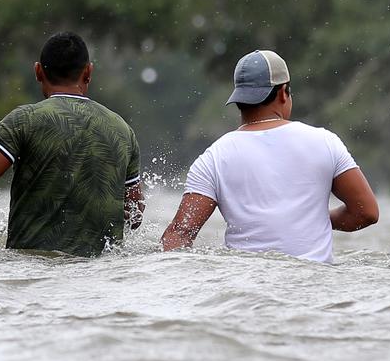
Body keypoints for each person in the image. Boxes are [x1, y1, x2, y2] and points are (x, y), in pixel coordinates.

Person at [161, 49, 378, 263]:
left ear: (239, 97)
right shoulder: (325, 142)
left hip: (244, 288)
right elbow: (366, 212)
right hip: (312, 288)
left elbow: (179, 234)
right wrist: (317, 219)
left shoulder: (213, 158)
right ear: (284, 92)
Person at [0, 31, 144, 257]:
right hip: (101, 279)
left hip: (35, 276)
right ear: (88, 71)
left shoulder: (25, 120)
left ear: (38, 71)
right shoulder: (121, 129)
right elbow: (134, 215)